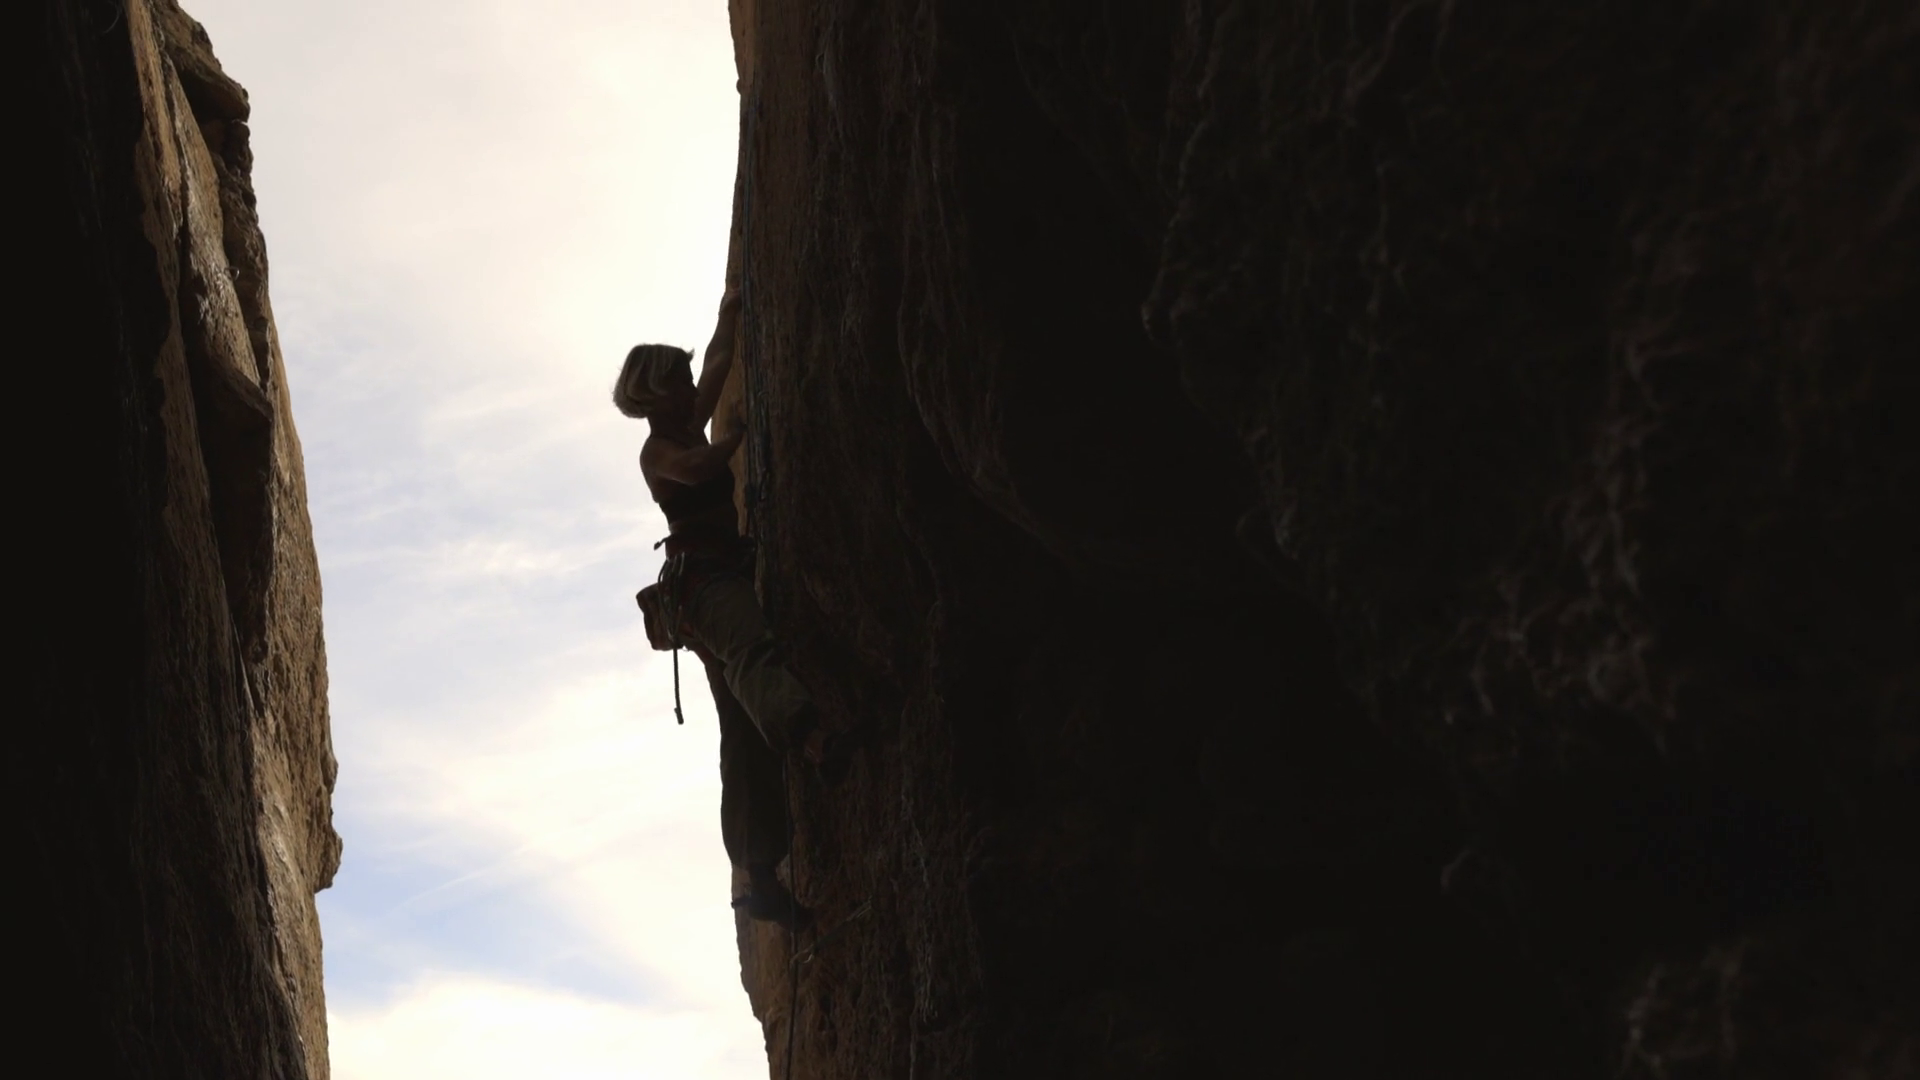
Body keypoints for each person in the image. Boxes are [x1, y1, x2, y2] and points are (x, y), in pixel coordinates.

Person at [613, 339, 844, 927]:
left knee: (741, 727)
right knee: (749, 653)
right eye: (680, 379)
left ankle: (757, 876)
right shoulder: (658, 451)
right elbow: (697, 469)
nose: (693, 387)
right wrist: (733, 439)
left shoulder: (686, 423)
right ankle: (814, 738)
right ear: (657, 392)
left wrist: (732, 310)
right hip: (704, 586)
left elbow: (716, 364)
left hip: (716, 577)